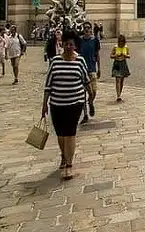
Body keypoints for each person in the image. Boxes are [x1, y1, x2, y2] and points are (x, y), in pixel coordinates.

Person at [42, 30, 90, 181]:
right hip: (56, 104)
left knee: (70, 133)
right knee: (61, 134)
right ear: (62, 44)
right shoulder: (55, 61)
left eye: (71, 44)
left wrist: (91, 97)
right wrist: (44, 105)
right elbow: (48, 85)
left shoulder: (80, 61)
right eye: (66, 44)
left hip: (75, 103)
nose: (68, 46)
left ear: (75, 46)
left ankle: (69, 164)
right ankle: (64, 154)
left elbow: (86, 80)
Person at [77, 23, 101, 122]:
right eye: (85, 28)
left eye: (88, 28)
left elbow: (97, 54)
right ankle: (85, 114)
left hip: (92, 69)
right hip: (82, 70)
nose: (86, 29)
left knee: (94, 91)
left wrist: (99, 68)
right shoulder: (79, 41)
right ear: (83, 29)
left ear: (91, 29)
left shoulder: (95, 40)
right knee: (82, 94)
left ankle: (90, 102)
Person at [110, 35, 130, 102]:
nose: (121, 43)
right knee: (118, 79)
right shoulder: (115, 47)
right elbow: (111, 56)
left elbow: (129, 56)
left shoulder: (126, 47)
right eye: (120, 42)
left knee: (121, 80)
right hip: (117, 63)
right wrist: (115, 55)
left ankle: (120, 94)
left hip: (123, 63)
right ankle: (118, 95)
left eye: (122, 42)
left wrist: (125, 55)